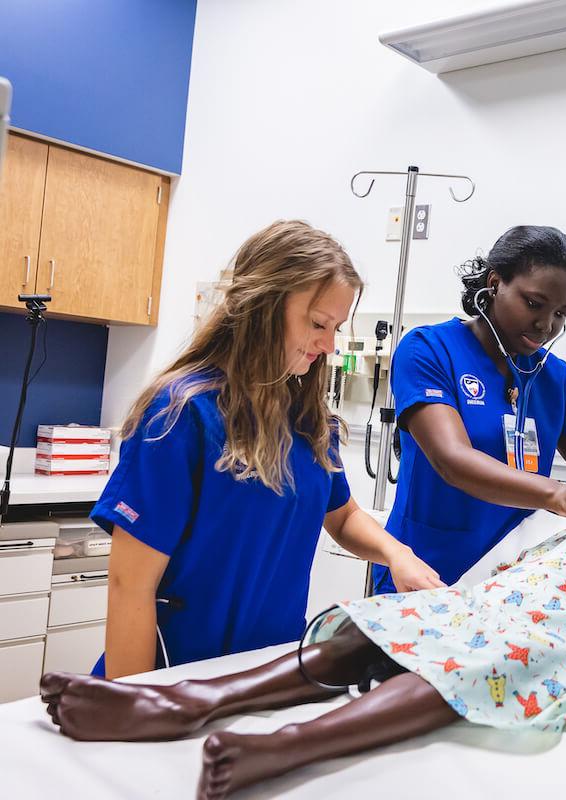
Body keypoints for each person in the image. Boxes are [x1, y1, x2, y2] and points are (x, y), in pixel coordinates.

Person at [42, 440, 566, 799]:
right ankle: (193, 699)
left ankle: (289, 744)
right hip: (485, 606)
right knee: (380, 621)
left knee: (482, 659)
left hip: (557, 639)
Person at [90, 220, 443, 680]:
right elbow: (129, 585)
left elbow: (342, 516)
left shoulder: (309, 421)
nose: (329, 344)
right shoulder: (181, 415)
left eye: (336, 327)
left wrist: (398, 555)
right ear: (261, 308)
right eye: (318, 324)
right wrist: (134, 707)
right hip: (176, 675)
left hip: (264, 673)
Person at [377, 225, 566, 592]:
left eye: (561, 313)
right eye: (534, 304)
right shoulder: (429, 350)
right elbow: (452, 460)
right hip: (428, 572)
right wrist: (556, 493)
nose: (545, 325)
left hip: (514, 582)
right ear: (494, 283)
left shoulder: (552, 376)